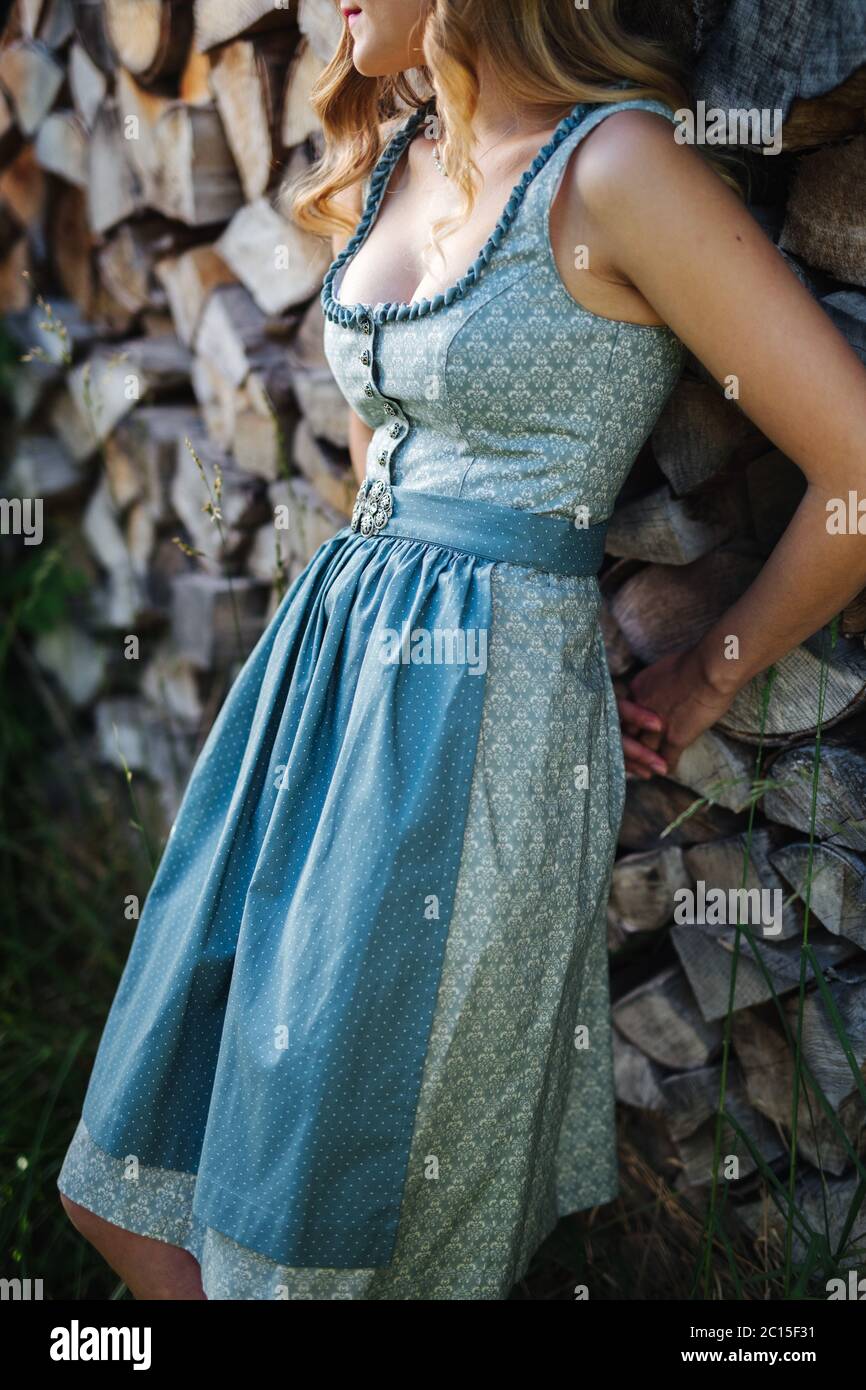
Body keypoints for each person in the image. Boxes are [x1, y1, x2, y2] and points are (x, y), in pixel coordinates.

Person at [58, 0, 866, 1300]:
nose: (322, 8)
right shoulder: (404, 154)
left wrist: (710, 667)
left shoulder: (613, 168)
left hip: (468, 744)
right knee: (137, 1180)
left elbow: (857, 463)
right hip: (319, 698)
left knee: (330, 1217)